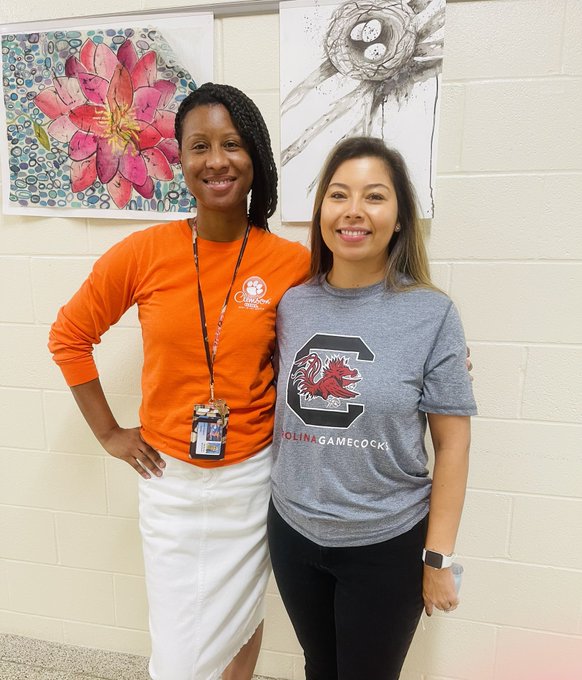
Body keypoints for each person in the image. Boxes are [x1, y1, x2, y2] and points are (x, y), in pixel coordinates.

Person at [48, 82, 310, 680]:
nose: (217, 160)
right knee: (178, 648)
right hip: (168, 478)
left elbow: (345, 325)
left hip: (253, 476)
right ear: (182, 159)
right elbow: (69, 337)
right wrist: (109, 433)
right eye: (199, 146)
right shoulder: (145, 252)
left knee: (241, 613)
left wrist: (422, 346)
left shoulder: (291, 263)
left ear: (255, 156)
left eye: (232, 144)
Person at [267, 136, 477, 680]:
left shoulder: (431, 313)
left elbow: (453, 444)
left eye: (375, 196)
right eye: (338, 195)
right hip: (294, 531)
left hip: (386, 541)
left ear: (400, 216)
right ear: (321, 211)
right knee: (319, 668)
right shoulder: (291, 304)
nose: (353, 210)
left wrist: (438, 558)